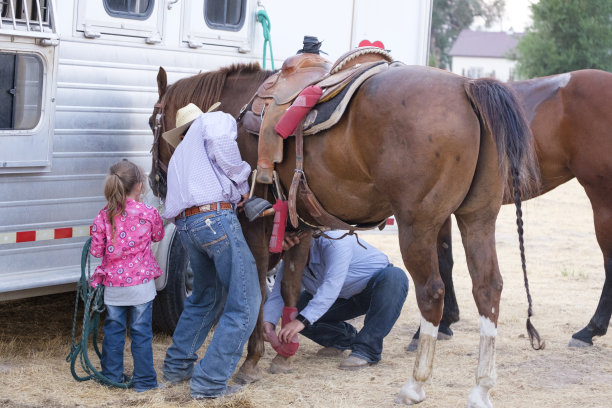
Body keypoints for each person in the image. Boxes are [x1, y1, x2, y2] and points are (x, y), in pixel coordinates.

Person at [160, 103, 261, 399]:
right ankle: (210, 382)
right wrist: (242, 181)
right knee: (245, 301)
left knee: (206, 297)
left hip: (188, 227)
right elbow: (221, 142)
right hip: (215, 219)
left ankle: (177, 368)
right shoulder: (211, 121)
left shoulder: (179, 154)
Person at [263, 230, 409, 370]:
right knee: (298, 310)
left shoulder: (334, 241)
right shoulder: (290, 258)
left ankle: (367, 349)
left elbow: (331, 285)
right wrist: (268, 322)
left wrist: (301, 321)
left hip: (373, 290)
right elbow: (279, 293)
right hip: (340, 299)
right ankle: (343, 339)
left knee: (395, 277)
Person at [89, 159, 165, 392]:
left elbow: (95, 250)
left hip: (114, 287)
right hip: (141, 286)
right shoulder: (149, 212)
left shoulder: (104, 216)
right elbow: (158, 236)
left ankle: (112, 376)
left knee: (113, 332)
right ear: (139, 186)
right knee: (141, 335)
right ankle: (145, 383)